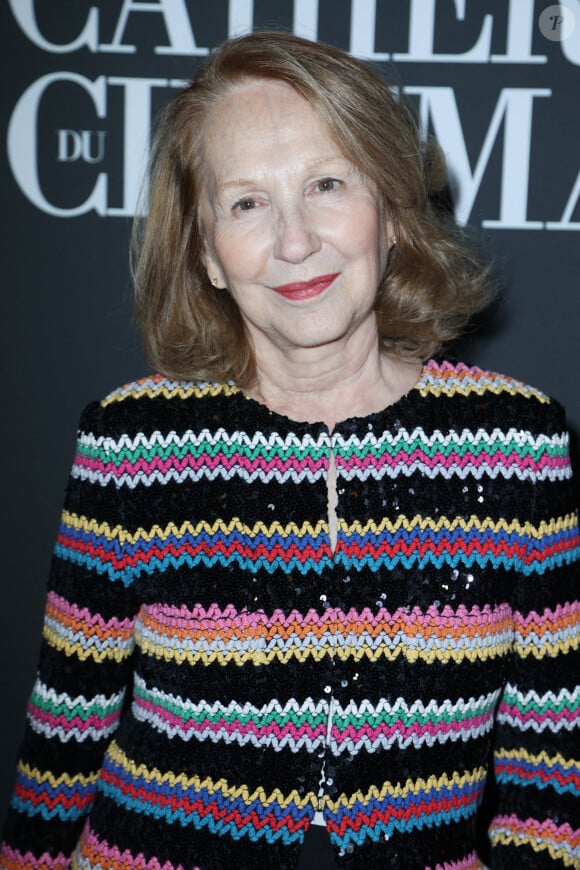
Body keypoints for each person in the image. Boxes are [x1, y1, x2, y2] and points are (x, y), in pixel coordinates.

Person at [1, 30, 578, 870]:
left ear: (390, 213)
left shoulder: (518, 445)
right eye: (246, 203)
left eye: (327, 184)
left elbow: (550, 757)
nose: (295, 240)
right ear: (205, 252)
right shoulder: (133, 443)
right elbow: (64, 730)